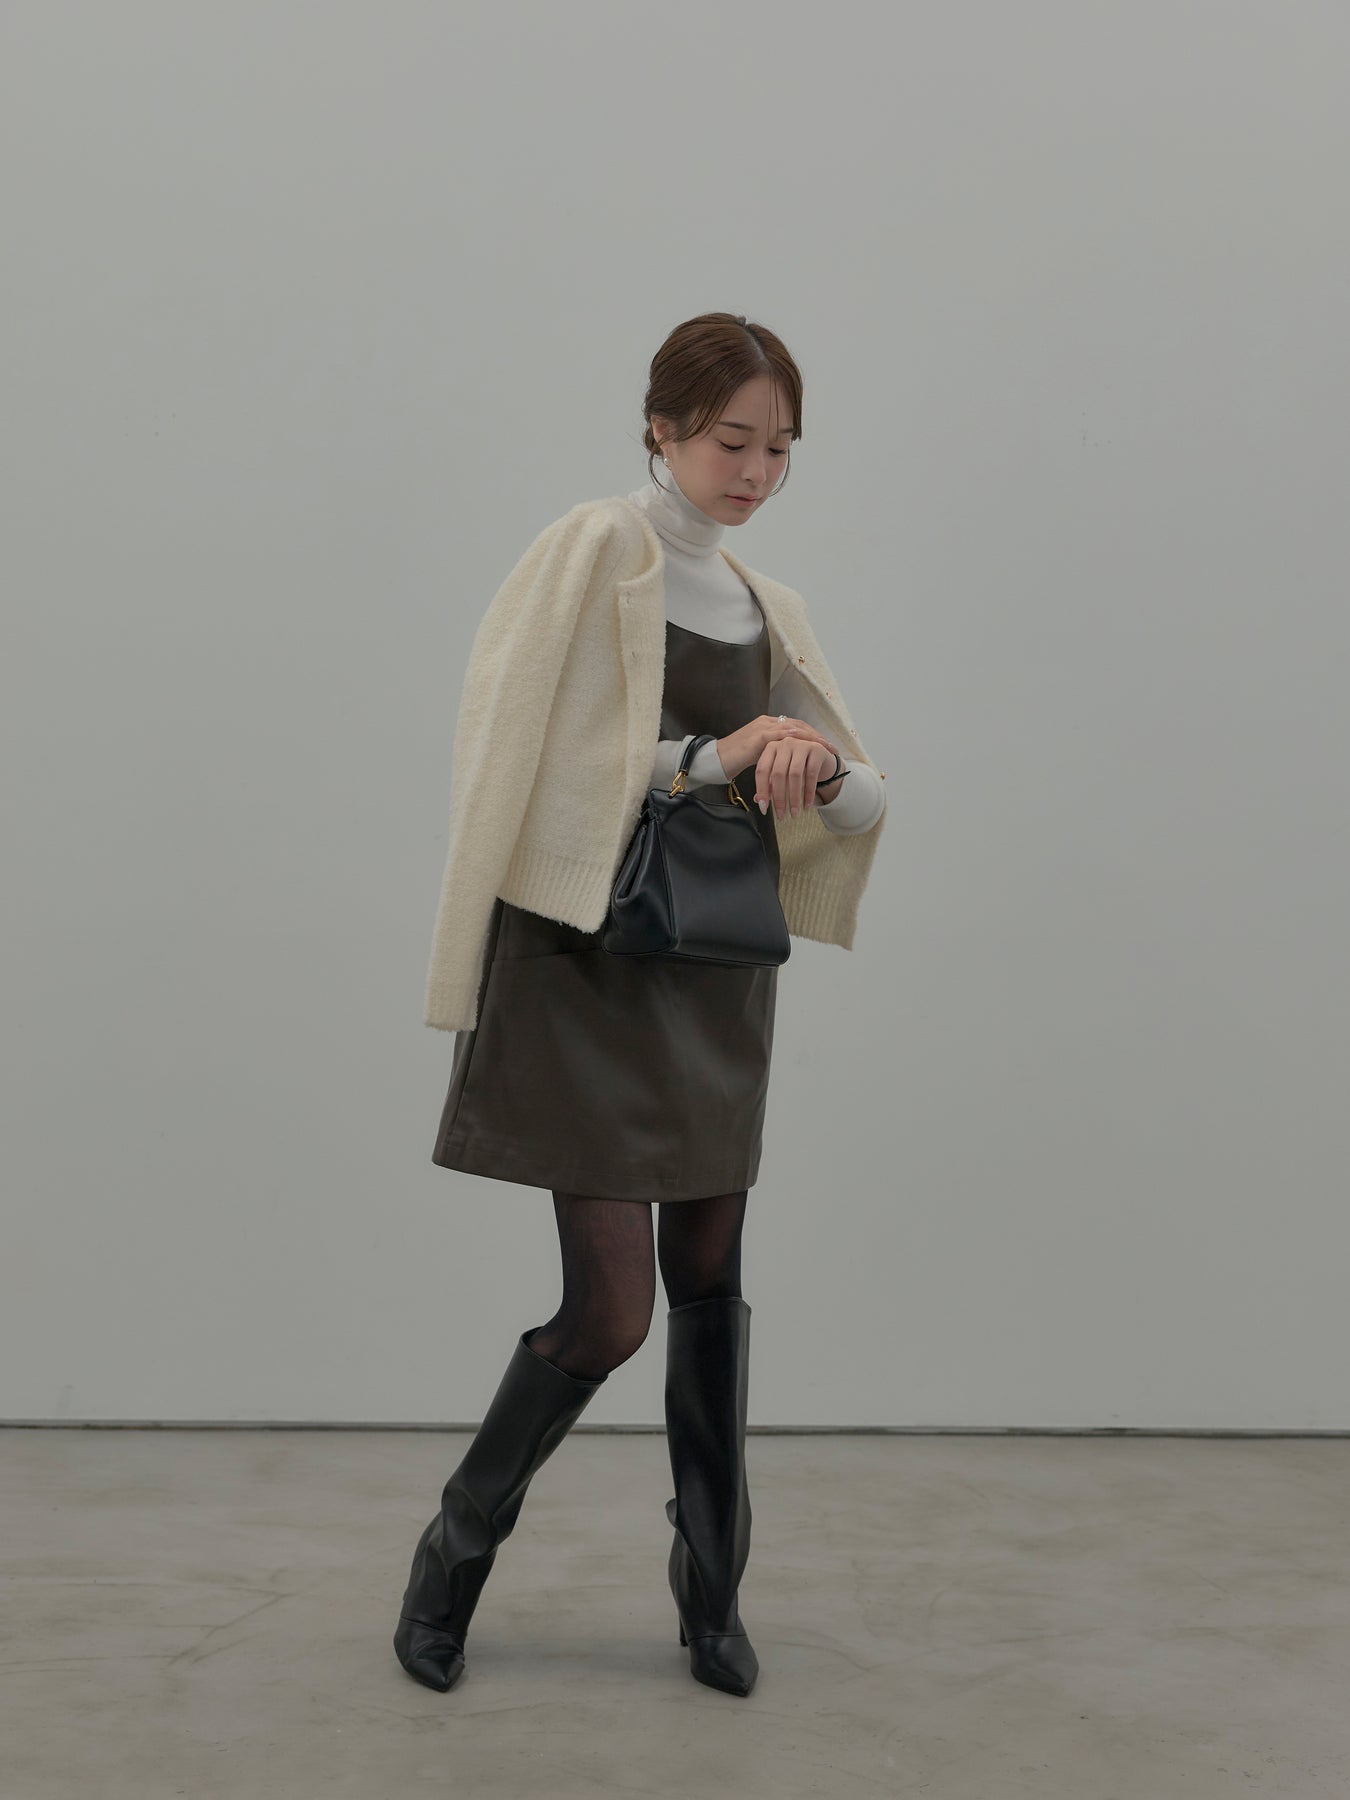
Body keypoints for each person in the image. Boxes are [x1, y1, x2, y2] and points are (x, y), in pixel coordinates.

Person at [394, 312, 887, 1698]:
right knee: (609, 1311)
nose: (756, 471)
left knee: (710, 1286)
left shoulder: (765, 602)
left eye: (780, 448)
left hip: (713, 979)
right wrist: (707, 759)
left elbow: (863, 795)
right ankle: (453, 1552)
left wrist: (814, 765)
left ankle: (710, 1592)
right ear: (662, 428)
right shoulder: (595, 547)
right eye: (732, 440)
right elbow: (513, 742)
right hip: (586, 965)